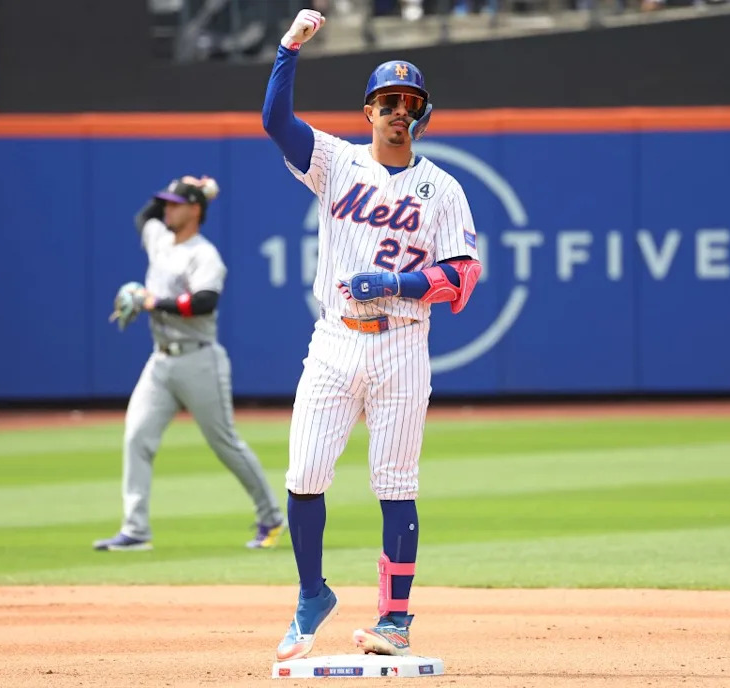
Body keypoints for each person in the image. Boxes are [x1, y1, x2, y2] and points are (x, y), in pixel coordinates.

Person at [262, 9, 482, 660]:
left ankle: (394, 620)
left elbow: (463, 280)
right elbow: (277, 123)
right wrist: (287, 50)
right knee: (304, 474)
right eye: (387, 100)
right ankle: (312, 595)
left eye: (408, 103)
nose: (397, 111)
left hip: (401, 343)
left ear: (421, 115)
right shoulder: (334, 163)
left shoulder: (442, 188)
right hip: (334, 340)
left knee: (395, 483)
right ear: (368, 111)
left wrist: (397, 284)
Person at [93, 176, 286, 552]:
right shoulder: (160, 239)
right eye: (166, 203)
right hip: (161, 360)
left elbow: (204, 302)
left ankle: (272, 517)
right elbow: (142, 218)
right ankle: (135, 530)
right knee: (136, 436)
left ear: (194, 210)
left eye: (175, 203)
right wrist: (185, 186)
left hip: (199, 359)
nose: (166, 208)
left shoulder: (204, 254)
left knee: (225, 443)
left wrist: (154, 303)